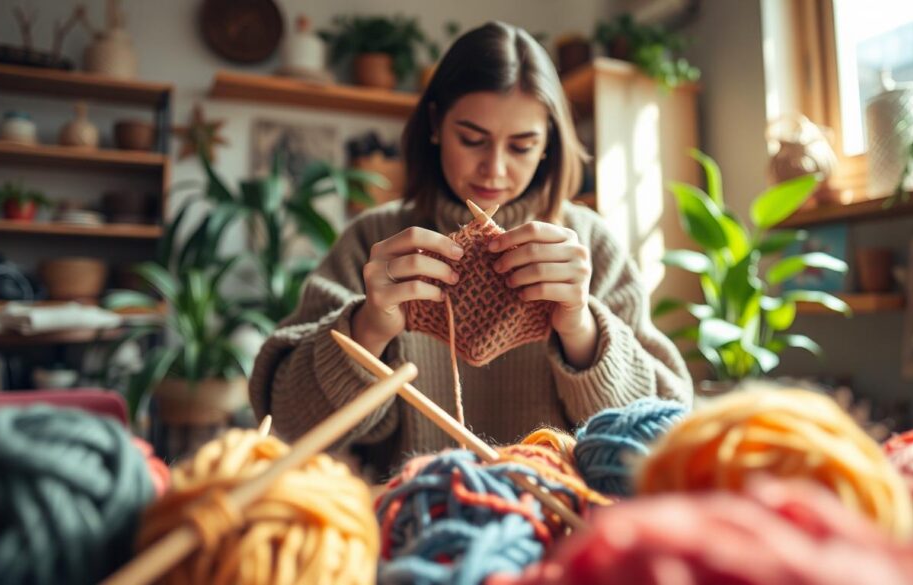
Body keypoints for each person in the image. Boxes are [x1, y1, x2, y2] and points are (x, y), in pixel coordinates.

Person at [249, 21, 692, 474]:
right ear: (436, 124)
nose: (494, 169)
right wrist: (368, 328)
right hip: (414, 522)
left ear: (548, 146)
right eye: (472, 139)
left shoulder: (589, 244)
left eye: (522, 146)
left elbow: (662, 430)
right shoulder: (374, 241)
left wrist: (581, 329)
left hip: (561, 523)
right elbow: (287, 423)